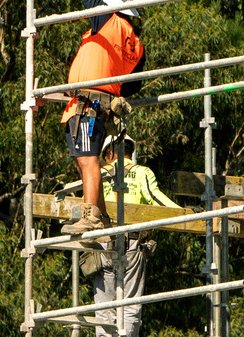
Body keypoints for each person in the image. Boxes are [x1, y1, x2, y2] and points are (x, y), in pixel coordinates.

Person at [57, 0, 146, 238]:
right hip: (99, 105)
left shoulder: (109, 21)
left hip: (89, 105)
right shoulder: (135, 43)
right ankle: (103, 218)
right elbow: (133, 85)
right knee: (88, 157)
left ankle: (91, 217)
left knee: (88, 160)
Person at [93, 135, 179, 337]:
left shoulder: (96, 175)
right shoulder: (142, 173)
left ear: (108, 155)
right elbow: (155, 197)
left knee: (105, 307)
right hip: (132, 243)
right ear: (131, 152)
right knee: (130, 304)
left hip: (103, 243)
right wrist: (183, 214)